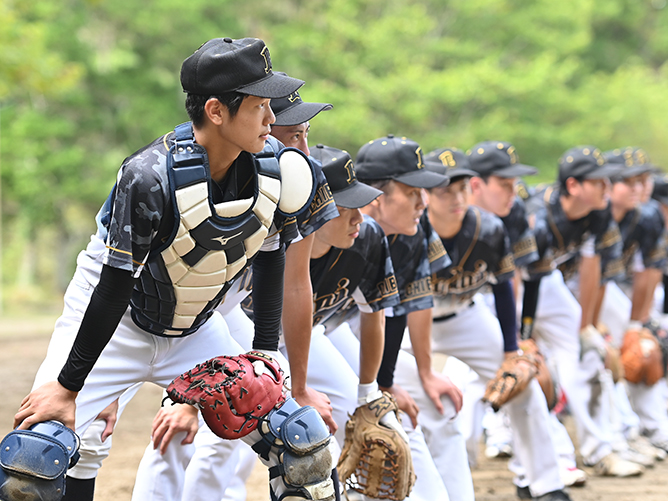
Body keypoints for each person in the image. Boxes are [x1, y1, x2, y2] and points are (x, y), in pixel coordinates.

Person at [12, 37, 331, 501]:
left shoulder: (280, 175)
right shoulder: (149, 177)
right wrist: (68, 387)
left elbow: (270, 259)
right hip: (115, 319)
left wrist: (264, 353)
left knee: (299, 443)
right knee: (35, 457)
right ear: (217, 111)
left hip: (198, 326)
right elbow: (113, 287)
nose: (272, 119)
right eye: (260, 105)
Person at [409, 146, 571, 501]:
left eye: (461, 187)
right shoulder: (410, 229)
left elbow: (502, 290)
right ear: (424, 194)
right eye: (444, 190)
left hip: (466, 316)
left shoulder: (489, 228)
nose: (456, 197)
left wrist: (512, 347)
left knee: (522, 385)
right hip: (409, 323)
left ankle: (546, 484)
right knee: (423, 404)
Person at [466, 141, 588, 490]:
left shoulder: (515, 213)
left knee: (523, 377)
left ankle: (546, 474)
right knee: (457, 402)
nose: (513, 190)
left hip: (486, 304)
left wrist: (521, 334)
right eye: (503, 183)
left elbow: (520, 280)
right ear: (477, 184)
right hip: (455, 308)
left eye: (514, 182)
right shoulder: (444, 214)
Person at [353, 138, 469, 500]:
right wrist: (379, 388)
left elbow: (406, 307)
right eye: (411, 190)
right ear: (375, 194)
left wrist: (422, 373)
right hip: (308, 333)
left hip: (366, 334)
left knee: (426, 406)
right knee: (374, 416)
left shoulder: (412, 232)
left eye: (424, 190)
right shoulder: (344, 230)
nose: (423, 201)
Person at [523, 146, 647, 477]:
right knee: (508, 369)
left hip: (547, 283)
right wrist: (522, 336)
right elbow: (521, 283)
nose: (607, 189)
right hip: (501, 287)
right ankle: (494, 442)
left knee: (585, 356)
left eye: (609, 182)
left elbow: (594, 270)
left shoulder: (599, 212)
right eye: (599, 183)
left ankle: (599, 450)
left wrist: (586, 327)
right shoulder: (538, 215)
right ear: (574, 185)